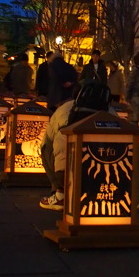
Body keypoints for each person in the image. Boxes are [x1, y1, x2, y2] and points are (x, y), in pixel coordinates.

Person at [39, 82, 112, 210]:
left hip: (66, 174)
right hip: (108, 175)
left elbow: (47, 141)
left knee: (46, 144)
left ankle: (60, 195)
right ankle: (119, 197)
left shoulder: (65, 109)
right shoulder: (111, 112)